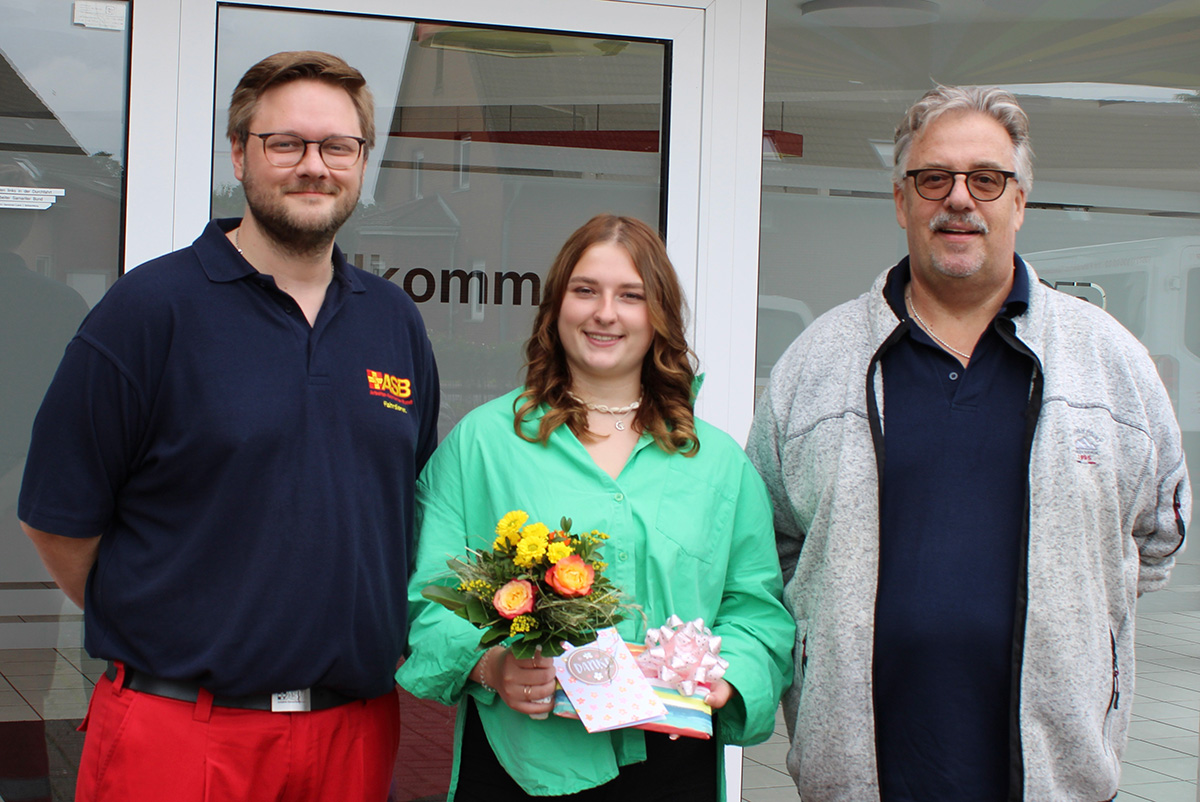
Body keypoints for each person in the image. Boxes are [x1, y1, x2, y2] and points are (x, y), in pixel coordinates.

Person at [746, 84, 1191, 802]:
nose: (959, 199)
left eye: (986, 179)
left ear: (1018, 202)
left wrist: (1075, 621)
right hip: (859, 777)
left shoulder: (1108, 361)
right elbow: (766, 542)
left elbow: (1155, 540)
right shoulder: (817, 363)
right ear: (901, 201)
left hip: (1053, 777)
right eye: (934, 179)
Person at [18, 51, 439, 802]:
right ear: (241, 154)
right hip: (181, 733)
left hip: (355, 733)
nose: (314, 165)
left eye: (337, 147)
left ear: (362, 163)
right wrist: (179, 617)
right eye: (287, 144)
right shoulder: (150, 310)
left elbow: (405, 505)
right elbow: (57, 518)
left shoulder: (392, 321)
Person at [396, 214, 793, 800]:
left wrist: (728, 678)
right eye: (586, 290)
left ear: (657, 317)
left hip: (671, 762)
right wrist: (491, 666)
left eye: (630, 296)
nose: (605, 313)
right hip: (521, 761)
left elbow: (757, 610)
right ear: (556, 307)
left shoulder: (717, 465)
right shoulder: (483, 444)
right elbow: (426, 596)